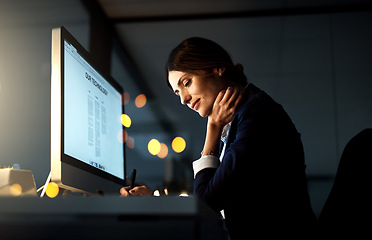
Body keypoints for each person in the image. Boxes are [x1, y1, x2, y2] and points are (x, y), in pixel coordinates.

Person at [121, 37, 317, 239]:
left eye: (187, 83)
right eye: (177, 92)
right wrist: (156, 202)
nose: (183, 99)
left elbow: (207, 204)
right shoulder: (243, 117)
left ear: (217, 68)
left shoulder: (258, 116)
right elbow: (217, 201)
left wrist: (213, 129)